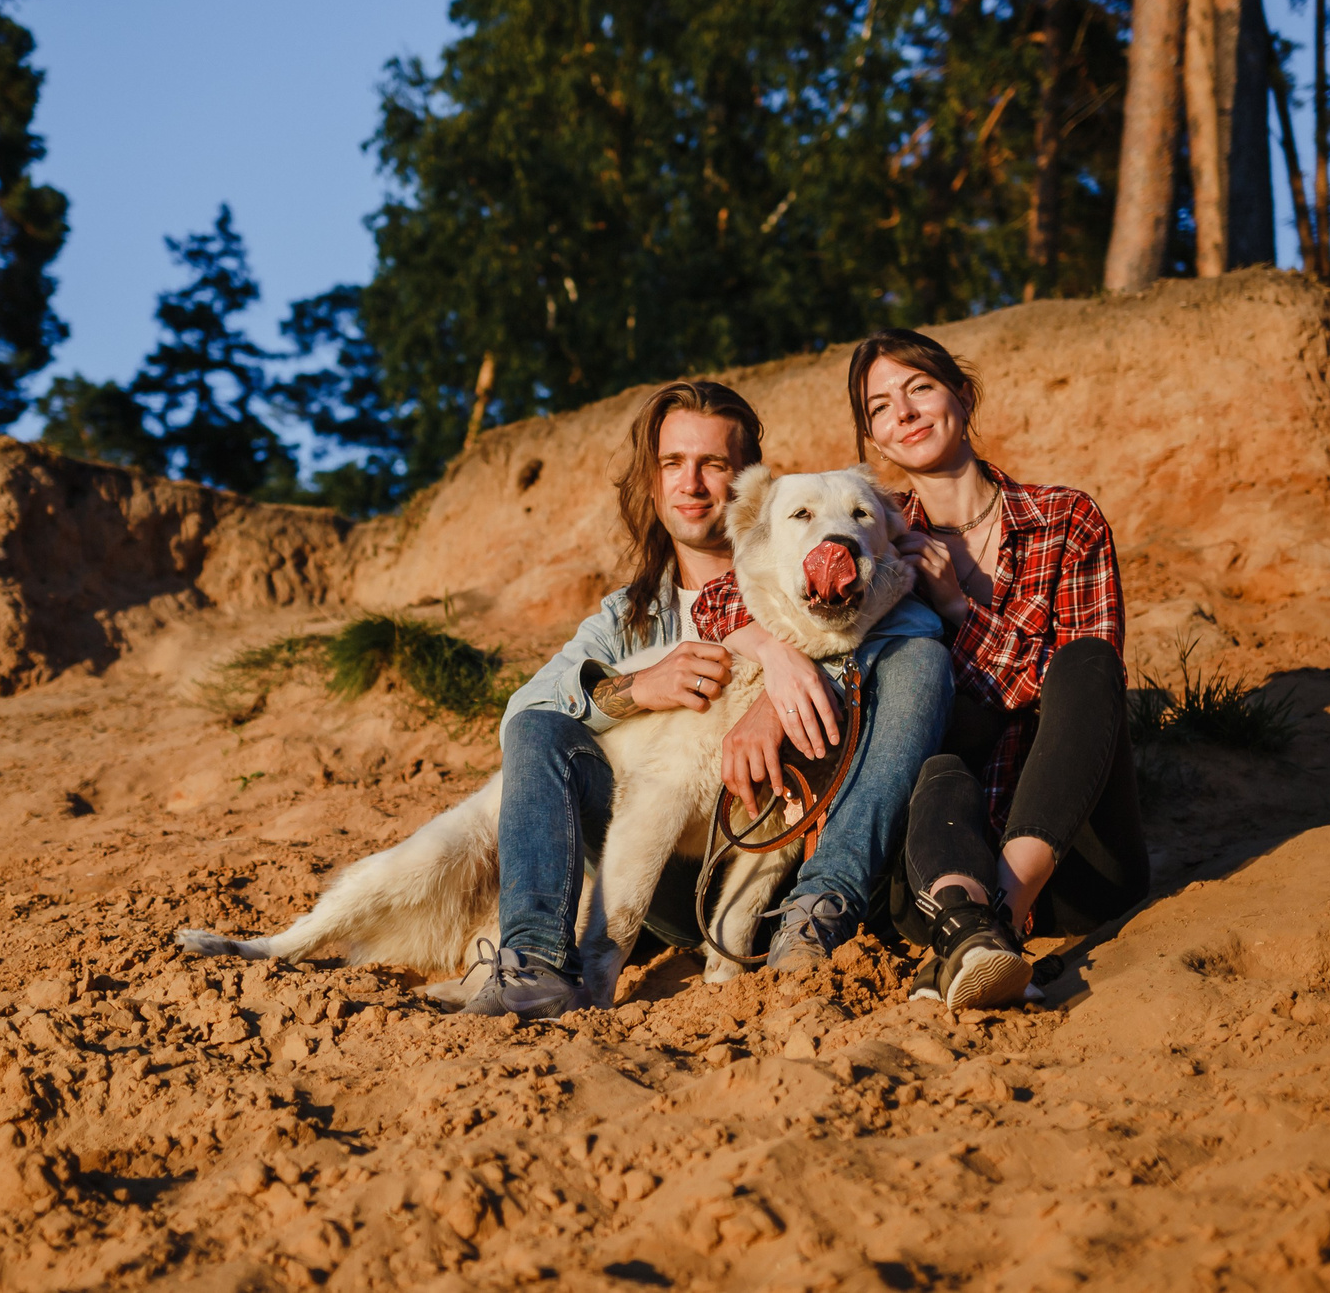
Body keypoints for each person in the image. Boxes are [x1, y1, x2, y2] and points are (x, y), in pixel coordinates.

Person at [461, 379, 953, 1019]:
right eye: (672, 463)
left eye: (714, 464)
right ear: (653, 478)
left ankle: (813, 909)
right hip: (647, 867)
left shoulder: (826, 569)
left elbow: (902, 629)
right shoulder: (627, 619)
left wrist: (785, 673)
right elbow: (524, 716)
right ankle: (533, 965)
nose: (691, 484)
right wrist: (638, 687)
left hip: (778, 851)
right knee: (538, 729)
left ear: (747, 487)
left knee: (919, 656)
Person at [693, 327, 1144, 1011]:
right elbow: (723, 594)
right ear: (874, 441)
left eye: (920, 388)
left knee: (1086, 663)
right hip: (935, 872)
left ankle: (997, 920)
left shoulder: (1065, 518)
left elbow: (1079, 695)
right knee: (937, 768)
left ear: (961, 395)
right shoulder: (873, 526)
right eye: (879, 406)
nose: (902, 412)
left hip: (1076, 860)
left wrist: (961, 610)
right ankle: (970, 927)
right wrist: (777, 657)